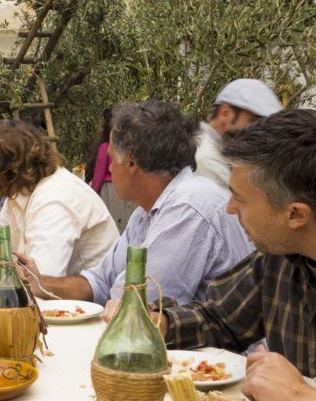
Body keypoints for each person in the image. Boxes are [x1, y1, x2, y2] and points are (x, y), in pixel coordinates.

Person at [122, 109, 316, 401]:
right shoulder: (278, 260)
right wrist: (163, 323)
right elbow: (222, 318)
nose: (229, 208)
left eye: (240, 199)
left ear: (295, 215)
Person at [17, 101, 251, 306]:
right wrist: (39, 281)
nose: (109, 168)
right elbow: (99, 282)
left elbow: (134, 302)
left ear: (131, 161)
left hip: (224, 356)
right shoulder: (146, 211)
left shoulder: (189, 206)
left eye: (111, 158)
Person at [0, 119, 119, 277]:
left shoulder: (55, 197)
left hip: (93, 310)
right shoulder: (20, 192)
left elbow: (43, 277)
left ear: (8, 167)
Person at [195, 79, 283, 188]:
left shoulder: (218, 148)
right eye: (253, 121)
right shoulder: (208, 157)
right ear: (225, 114)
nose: (258, 129)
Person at [88, 108, 136, 232]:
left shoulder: (105, 147)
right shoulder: (128, 147)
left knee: (112, 223)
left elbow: (98, 175)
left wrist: (91, 194)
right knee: (125, 220)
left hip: (108, 190)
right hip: (126, 187)